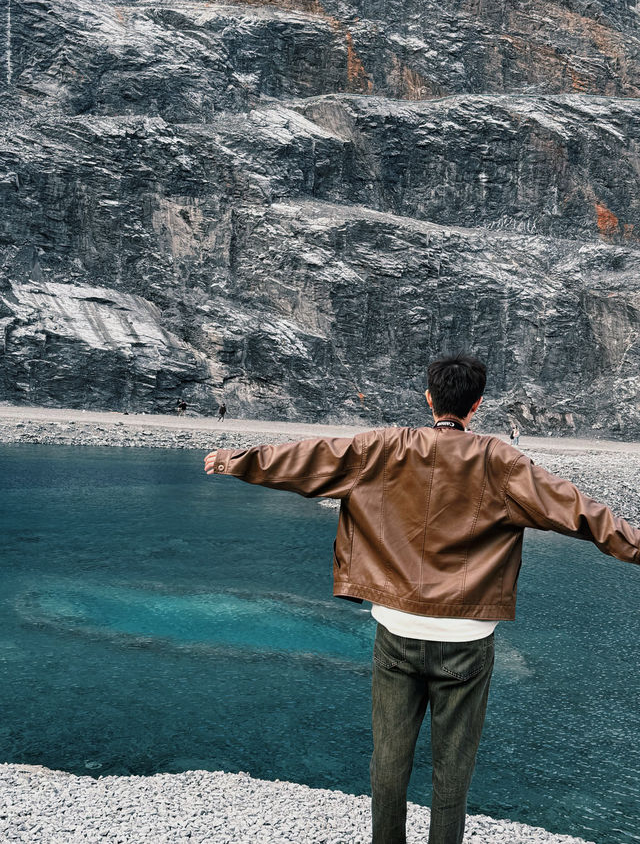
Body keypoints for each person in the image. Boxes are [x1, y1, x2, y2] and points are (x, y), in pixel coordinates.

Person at [203, 354, 640, 844]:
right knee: (453, 769)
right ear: (477, 405)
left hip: (397, 631)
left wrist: (231, 460)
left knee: (389, 759)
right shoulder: (503, 461)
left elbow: (307, 459)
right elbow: (583, 513)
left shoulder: (383, 447)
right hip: (468, 639)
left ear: (430, 398)